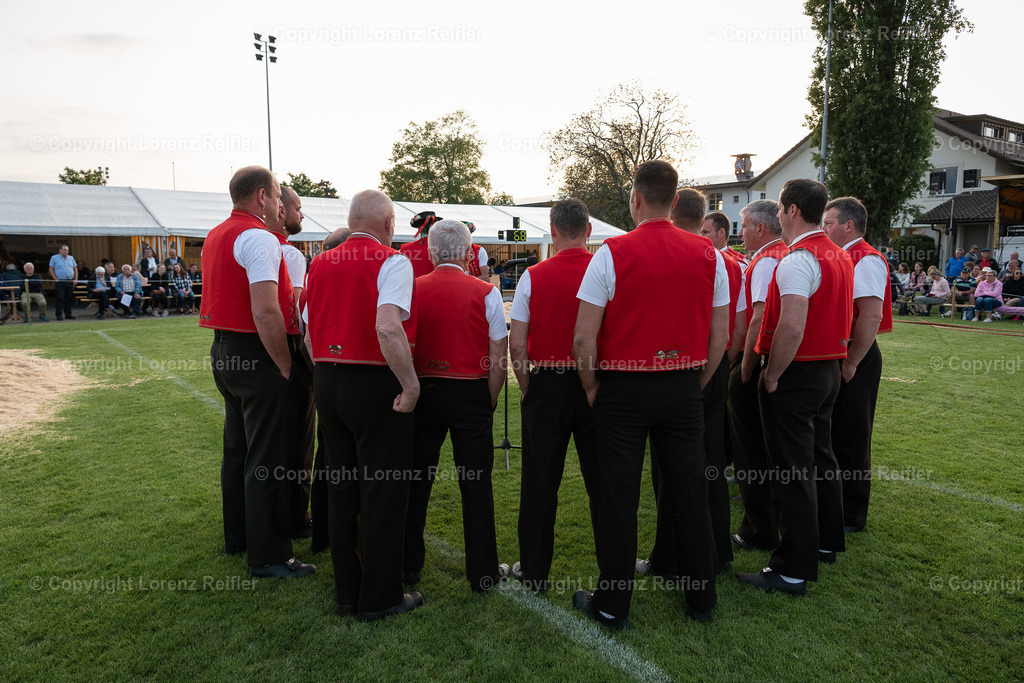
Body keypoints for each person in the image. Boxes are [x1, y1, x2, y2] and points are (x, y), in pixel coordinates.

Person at [573, 160, 728, 628]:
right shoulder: (709, 255)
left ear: (635, 199)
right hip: (682, 385)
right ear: (676, 201)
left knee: (619, 498)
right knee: (690, 494)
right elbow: (721, 337)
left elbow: (583, 337)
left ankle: (612, 604)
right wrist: (695, 383)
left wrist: (591, 386)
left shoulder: (611, 252)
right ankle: (702, 599)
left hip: (623, 388)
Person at [304, 188, 421, 620]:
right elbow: (387, 327)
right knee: (384, 490)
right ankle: (380, 597)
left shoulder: (319, 263)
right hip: (374, 381)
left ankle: (347, 592)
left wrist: (326, 368)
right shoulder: (393, 261)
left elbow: (309, 331)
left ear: (352, 221)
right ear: (389, 224)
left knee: (342, 487)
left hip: (328, 378)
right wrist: (410, 385)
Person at [737, 178, 853, 597]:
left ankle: (791, 569)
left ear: (791, 210)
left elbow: (791, 325)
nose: (779, 214)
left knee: (792, 470)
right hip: (827, 368)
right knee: (820, 458)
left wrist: (771, 374)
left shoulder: (798, 258)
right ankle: (825, 541)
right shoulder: (839, 254)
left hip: (799, 371)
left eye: (780, 208)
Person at [199, 165, 314, 580]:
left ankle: (240, 537)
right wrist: (284, 364)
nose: (281, 204)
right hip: (256, 351)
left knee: (238, 450)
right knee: (268, 457)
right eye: (278, 196)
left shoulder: (216, 234)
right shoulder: (259, 237)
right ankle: (268, 556)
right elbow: (266, 310)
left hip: (225, 349)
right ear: (262, 197)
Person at [402, 219, 510, 593]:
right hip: (471, 392)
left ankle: (407, 564)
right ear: (468, 253)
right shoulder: (486, 292)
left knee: (415, 482)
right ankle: (483, 572)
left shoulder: (413, 289)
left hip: (424, 391)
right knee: (476, 485)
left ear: (431, 253)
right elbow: (498, 357)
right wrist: (487, 399)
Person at [637, 196, 737, 580]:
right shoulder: (727, 261)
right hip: (714, 366)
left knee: (671, 467)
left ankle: (669, 558)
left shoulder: (684, 257)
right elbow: (737, 326)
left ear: (673, 215)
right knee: (711, 461)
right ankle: (717, 550)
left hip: (686, 369)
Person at [509, 198, 601, 592]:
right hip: (596, 381)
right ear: (588, 230)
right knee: (603, 482)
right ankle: (612, 570)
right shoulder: (605, 270)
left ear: (552, 230)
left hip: (547, 382)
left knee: (540, 482)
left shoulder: (533, 275)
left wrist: (528, 385)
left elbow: (517, 343)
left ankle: (534, 571)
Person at [823, 197, 891, 533]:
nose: (823, 229)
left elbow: (871, 315)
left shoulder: (865, 258)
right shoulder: (844, 255)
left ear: (848, 226)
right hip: (844, 351)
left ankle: (851, 514)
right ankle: (835, 503)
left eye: (828, 223)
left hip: (856, 354)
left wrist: (851, 361)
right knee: (836, 431)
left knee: (852, 434)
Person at [729, 199, 788, 553]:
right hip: (777, 359)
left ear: (760, 229)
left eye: (745, 227)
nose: (741, 235)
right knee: (765, 447)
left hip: (758, 358)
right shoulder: (784, 254)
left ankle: (758, 529)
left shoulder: (766, 260)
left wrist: (745, 366)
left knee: (750, 449)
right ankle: (768, 521)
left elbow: (758, 319)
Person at [269, 185, 316, 540]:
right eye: (298, 207)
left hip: (255, 352)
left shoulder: (248, 242)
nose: (302, 214)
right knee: (299, 444)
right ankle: (296, 517)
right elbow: (297, 314)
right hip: (289, 351)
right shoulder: (290, 254)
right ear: (282, 210)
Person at [400, 211, 440, 279]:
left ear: (419, 228)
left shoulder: (405, 248)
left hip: (413, 285)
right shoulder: (444, 247)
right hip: (437, 285)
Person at [48, 244, 78, 320]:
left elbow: (75, 269)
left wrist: (75, 279)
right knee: (60, 298)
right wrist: (55, 279)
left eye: (67, 250)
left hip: (69, 280)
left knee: (69, 298)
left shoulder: (71, 258)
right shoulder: (54, 258)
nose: (66, 251)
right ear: (60, 250)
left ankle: (68, 314)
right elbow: (51, 269)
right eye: (64, 250)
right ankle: (59, 315)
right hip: (60, 281)